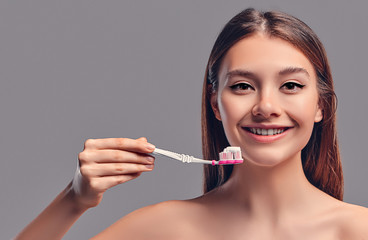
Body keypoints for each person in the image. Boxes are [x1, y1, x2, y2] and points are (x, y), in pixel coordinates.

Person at [15, 8, 368, 240]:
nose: (266, 106)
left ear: (321, 105)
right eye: (242, 86)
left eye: (291, 86)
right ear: (216, 104)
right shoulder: (166, 228)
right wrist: (74, 200)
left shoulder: (357, 230)